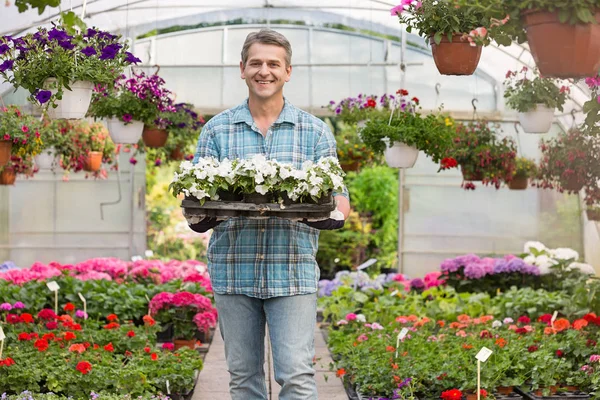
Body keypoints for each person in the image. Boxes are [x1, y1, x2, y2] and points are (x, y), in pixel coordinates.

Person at [190, 28, 351, 400]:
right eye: (256, 63)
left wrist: (330, 215)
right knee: (244, 377)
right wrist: (203, 213)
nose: (265, 71)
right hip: (234, 270)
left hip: (291, 271)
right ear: (242, 69)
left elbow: (340, 198)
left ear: (288, 71)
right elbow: (197, 197)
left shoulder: (314, 131)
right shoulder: (217, 129)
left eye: (273, 64)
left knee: (296, 375)